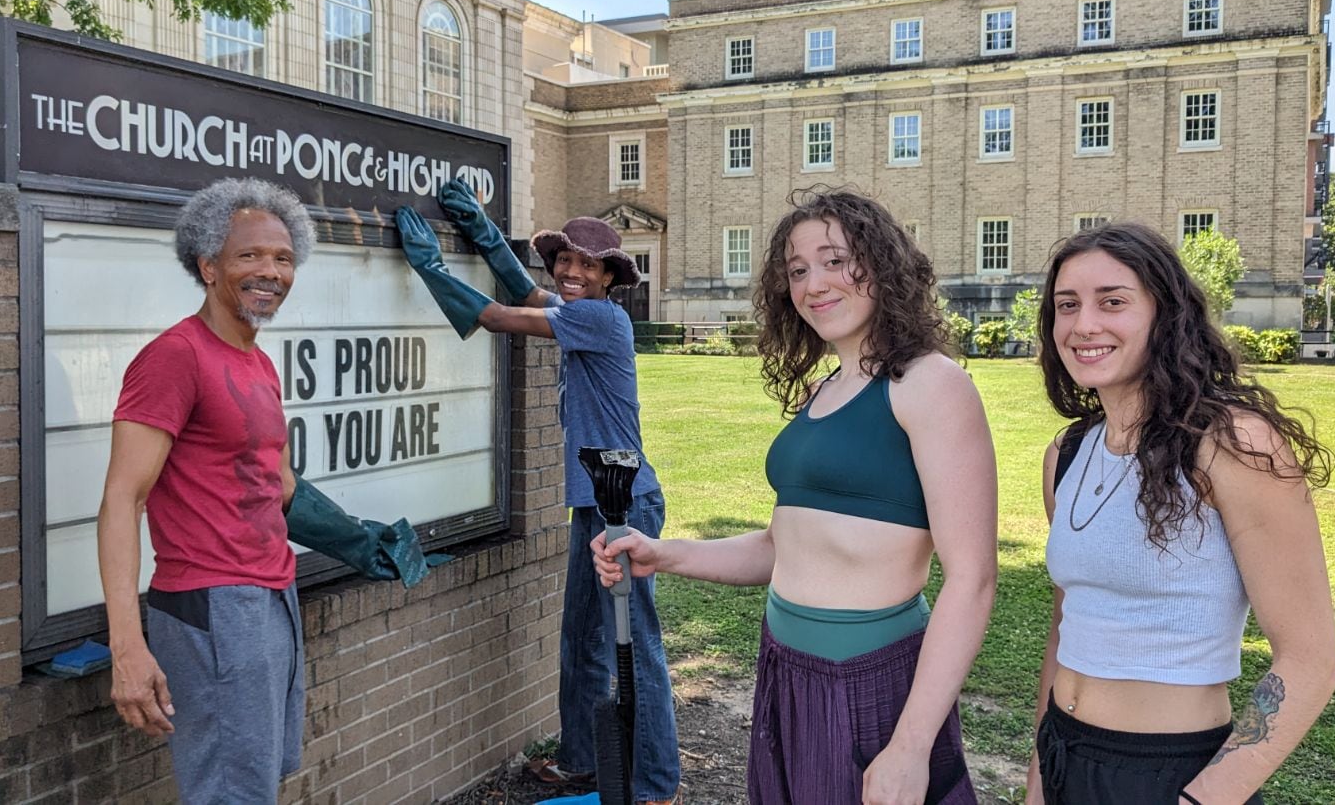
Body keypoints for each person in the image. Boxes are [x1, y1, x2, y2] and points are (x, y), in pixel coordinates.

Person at [593, 188, 995, 805]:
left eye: (835, 260)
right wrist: (662, 553)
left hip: (869, 680)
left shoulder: (930, 384)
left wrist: (911, 746)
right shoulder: (825, 391)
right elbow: (783, 549)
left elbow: (971, 580)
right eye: (798, 269)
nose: (814, 284)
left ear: (882, 264)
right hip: (785, 667)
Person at [1026, 223, 1335, 804]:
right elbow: (1068, 621)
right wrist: (1039, 778)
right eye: (1066, 306)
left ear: (1164, 314)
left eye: (1112, 302)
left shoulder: (1233, 444)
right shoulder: (1066, 454)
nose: (1083, 325)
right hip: (1065, 755)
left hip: (1171, 775)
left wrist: (1204, 799)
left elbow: (1310, 658)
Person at [394, 183, 681, 805]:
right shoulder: (580, 311)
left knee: (639, 644)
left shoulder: (599, 318)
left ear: (609, 276)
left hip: (625, 503)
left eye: (588, 264)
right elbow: (528, 293)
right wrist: (484, 235)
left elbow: (501, 316)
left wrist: (431, 267)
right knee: (583, 639)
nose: (573, 272)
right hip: (597, 502)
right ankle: (583, 761)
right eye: (565, 260)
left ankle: (657, 784)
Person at [97, 178, 316, 804]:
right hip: (212, 605)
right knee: (229, 792)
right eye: (249, 255)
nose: (269, 270)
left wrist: (358, 537)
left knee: (256, 778)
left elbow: (276, 482)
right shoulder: (174, 357)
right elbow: (122, 500)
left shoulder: (258, 362)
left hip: (273, 596)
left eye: (282, 257)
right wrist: (127, 647)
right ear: (208, 264)